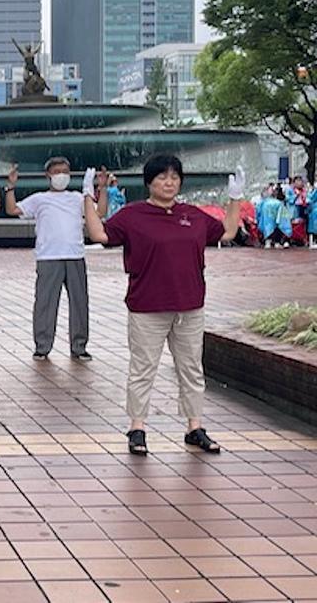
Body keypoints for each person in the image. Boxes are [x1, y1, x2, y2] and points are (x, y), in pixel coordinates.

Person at [83, 154, 244, 455]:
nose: (169, 183)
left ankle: (194, 427)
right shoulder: (133, 215)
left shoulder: (192, 215)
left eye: (174, 177)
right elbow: (99, 234)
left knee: (191, 369)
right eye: (162, 177)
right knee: (143, 369)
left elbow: (228, 231)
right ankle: (137, 428)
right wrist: (87, 200)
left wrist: (235, 199)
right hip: (147, 306)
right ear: (149, 182)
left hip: (189, 305)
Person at [5, 156, 94, 361]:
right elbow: (13, 210)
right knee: (45, 302)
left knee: (80, 302)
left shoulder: (77, 198)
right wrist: (10, 187)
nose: (61, 176)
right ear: (48, 175)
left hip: (75, 255)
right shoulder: (39, 199)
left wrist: (102, 189)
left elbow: (100, 212)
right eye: (56, 172)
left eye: (65, 172)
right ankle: (42, 346)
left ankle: (79, 346)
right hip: (48, 257)